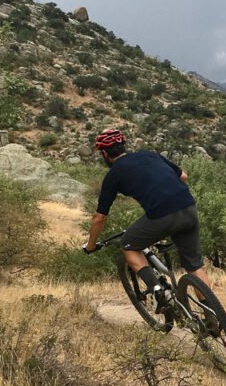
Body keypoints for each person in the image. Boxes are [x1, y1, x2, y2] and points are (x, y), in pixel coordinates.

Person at [82, 128, 211, 311]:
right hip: (188, 208)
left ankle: (158, 290)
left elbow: (100, 217)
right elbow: (183, 176)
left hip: (162, 215)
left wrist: (91, 245)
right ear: (123, 146)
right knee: (194, 267)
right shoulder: (150, 155)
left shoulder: (114, 174)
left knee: (128, 245)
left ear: (104, 154)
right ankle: (212, 316)